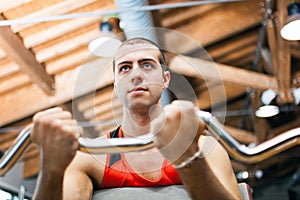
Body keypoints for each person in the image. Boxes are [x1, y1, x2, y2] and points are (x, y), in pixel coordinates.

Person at [30, 38, 242, 200]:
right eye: (125, 68)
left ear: (165, 79)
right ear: (116, 84)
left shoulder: (203, 147)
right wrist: (51, 168)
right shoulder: (92, 156)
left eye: (147, 65)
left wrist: (188, 159)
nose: (136, 75)